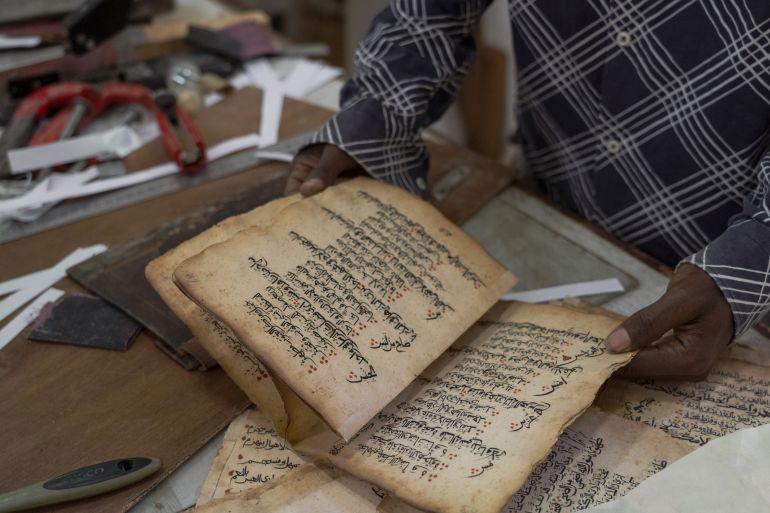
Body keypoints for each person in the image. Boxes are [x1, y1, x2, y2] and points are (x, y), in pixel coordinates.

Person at [285, 1, 770, 379]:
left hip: (731, 290)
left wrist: (747, 267)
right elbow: (430, 13)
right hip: (546, 202)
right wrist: (378, 113)